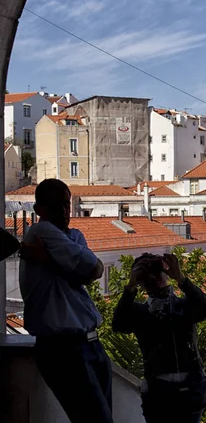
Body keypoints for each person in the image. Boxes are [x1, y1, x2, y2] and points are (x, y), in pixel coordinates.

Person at [19, 179, 112, 423]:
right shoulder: (42, 231)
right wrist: (72, 267)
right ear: (39, 209)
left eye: (66, 205)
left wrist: (49, 260)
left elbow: (96, 270)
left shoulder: (72, 235)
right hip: (64, 349)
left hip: (88, 344)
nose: (63, 211)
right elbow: (91, 268)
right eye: (55, 205)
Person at [112, 252, 206, 423]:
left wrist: (181, 278)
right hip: (162, 393)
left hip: (188, 391)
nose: (153, 277)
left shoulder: (182, 307)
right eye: (147, 275)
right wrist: (130, 287)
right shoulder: (140, 313)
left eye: (157, 271)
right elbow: (119, 324)